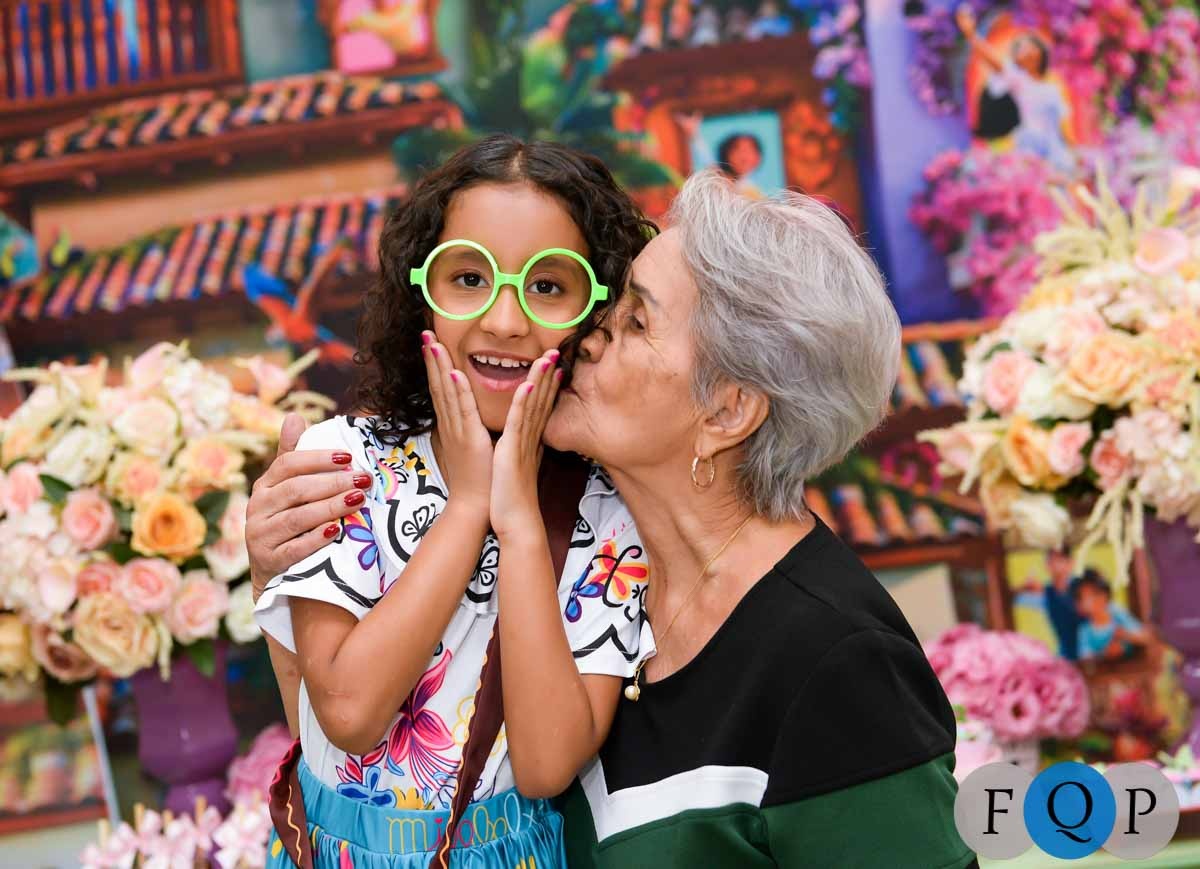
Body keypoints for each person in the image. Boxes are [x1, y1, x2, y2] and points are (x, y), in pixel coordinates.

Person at [252, 169, 975, 867]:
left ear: (726, 411)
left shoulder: (838, 662)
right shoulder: (591, 537)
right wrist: (280, 574)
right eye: (611, 304)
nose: (588, 335)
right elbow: (357, 757)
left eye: (635, 320)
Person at [251, 135, 656, 868]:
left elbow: (545, 766)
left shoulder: (613, 518)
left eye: (548, 286)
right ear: (422, 295)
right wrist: (467, 507)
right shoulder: (346, 461)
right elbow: (348, 711)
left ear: (596, 313)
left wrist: (518, 524)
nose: (505, 320)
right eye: (469, 278)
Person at [956, 5, 1074, 173]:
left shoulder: (1053, 88)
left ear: (1039, 53)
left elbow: (1063, 124)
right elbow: (993, 61)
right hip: (1026, 146)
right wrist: (971, 34)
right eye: (1019, 48)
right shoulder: (1017, 79)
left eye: (1028, 47)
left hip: (1054, 148)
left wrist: (1072, 149)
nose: (1023, 51)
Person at [1073, 569, 1152, 661]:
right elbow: (1085, 658)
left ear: (1106, 594)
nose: (1094, 600)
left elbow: (1145, 637)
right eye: (1086, 597)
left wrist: (1126, 635)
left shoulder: (1117, 614)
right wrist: (1104, 654)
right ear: (1080, 604)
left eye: (1096, 593)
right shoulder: (1085, 631)